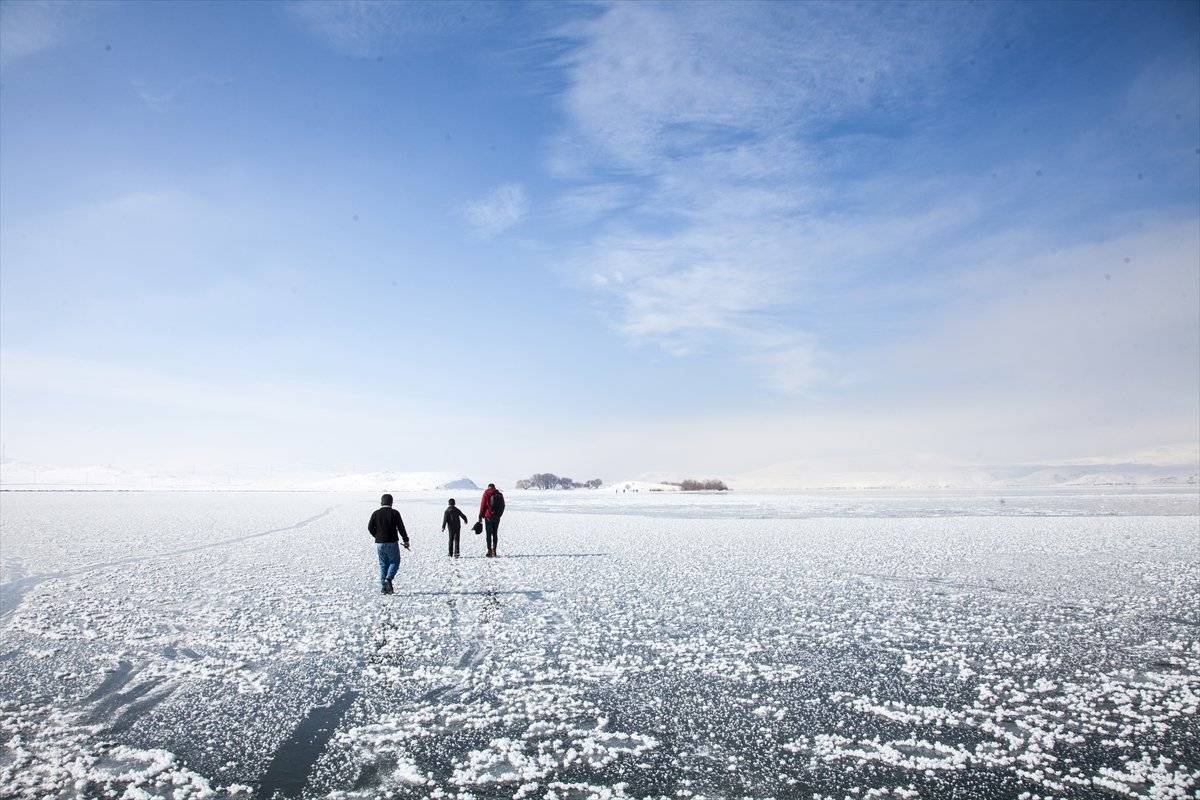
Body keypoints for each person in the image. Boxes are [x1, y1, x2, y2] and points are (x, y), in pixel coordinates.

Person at [368, 493, 409, 594]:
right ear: (391, 502)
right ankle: (388, 580)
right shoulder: (395, 513)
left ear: (381, 502)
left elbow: (370, 527)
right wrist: (406, 540)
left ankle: (384, 588)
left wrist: (377, 536)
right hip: (392, 542)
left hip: (379, 543)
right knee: (395, 562)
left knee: (383, 564)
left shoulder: (375, 513)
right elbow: (401, 527)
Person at [478, 483, 505, 557]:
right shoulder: (499, 494)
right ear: (494, 487)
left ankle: (489, 551)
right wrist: (499, 515)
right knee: (495, 534)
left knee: (488, 534)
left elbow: (483, 505)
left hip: (488, 517)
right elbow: (503, 506)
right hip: (497, 517)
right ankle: (494, 551)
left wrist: (480, 515)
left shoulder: (486, 493)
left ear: (488, 487)